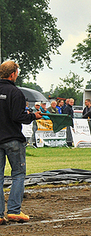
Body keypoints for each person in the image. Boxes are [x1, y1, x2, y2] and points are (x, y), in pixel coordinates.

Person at [0, 60, 42, 224]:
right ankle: (14, 211)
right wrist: (33, 116)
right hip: (12, 139)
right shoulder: (16, 92)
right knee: (18, 174)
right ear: (13, 74)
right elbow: (18, 117)